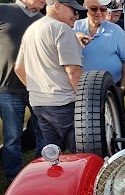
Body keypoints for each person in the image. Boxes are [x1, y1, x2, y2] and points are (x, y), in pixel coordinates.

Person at [15, 0, 85, 154]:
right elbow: (73, 71)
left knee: (53, 155)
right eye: (73, 11)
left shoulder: (31, 30)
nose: (76, 16)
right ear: (57, 6)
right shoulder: (62, 29)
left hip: (39, 104)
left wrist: (39, 89)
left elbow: (19, 68)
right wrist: (84, 102)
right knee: (83, 152)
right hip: (64, 103)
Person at [0, 0, 47, 184]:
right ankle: (14, 179)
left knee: (43, 131)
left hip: (38, 87)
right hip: (8, 88)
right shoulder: (3, 10)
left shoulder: (43, 20)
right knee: (12, 137)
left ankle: (40, 172)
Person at [73, 0, 125, 88]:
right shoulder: (74, 27)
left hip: (111, 90)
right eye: (94, 9)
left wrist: (123, 87)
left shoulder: (116, 31)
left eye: (103, 9)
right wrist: (76, 36)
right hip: (82, 89)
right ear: (84, 7)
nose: (98, 13)